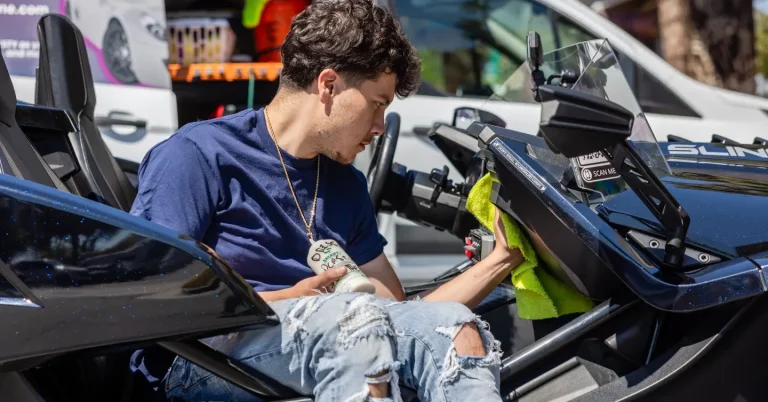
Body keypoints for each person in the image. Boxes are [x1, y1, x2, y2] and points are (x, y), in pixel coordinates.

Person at [129, 0, 524, 400]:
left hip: (334, 340)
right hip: (205, 360)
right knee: (353, 319)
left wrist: (502, 259)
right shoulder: (197, 154)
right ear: (328, 85)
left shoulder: (344, 182)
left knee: (455, 326)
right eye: (377, 104)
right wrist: (291, 299)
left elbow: (399, 311)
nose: (379, 127)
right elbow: (150, 298)